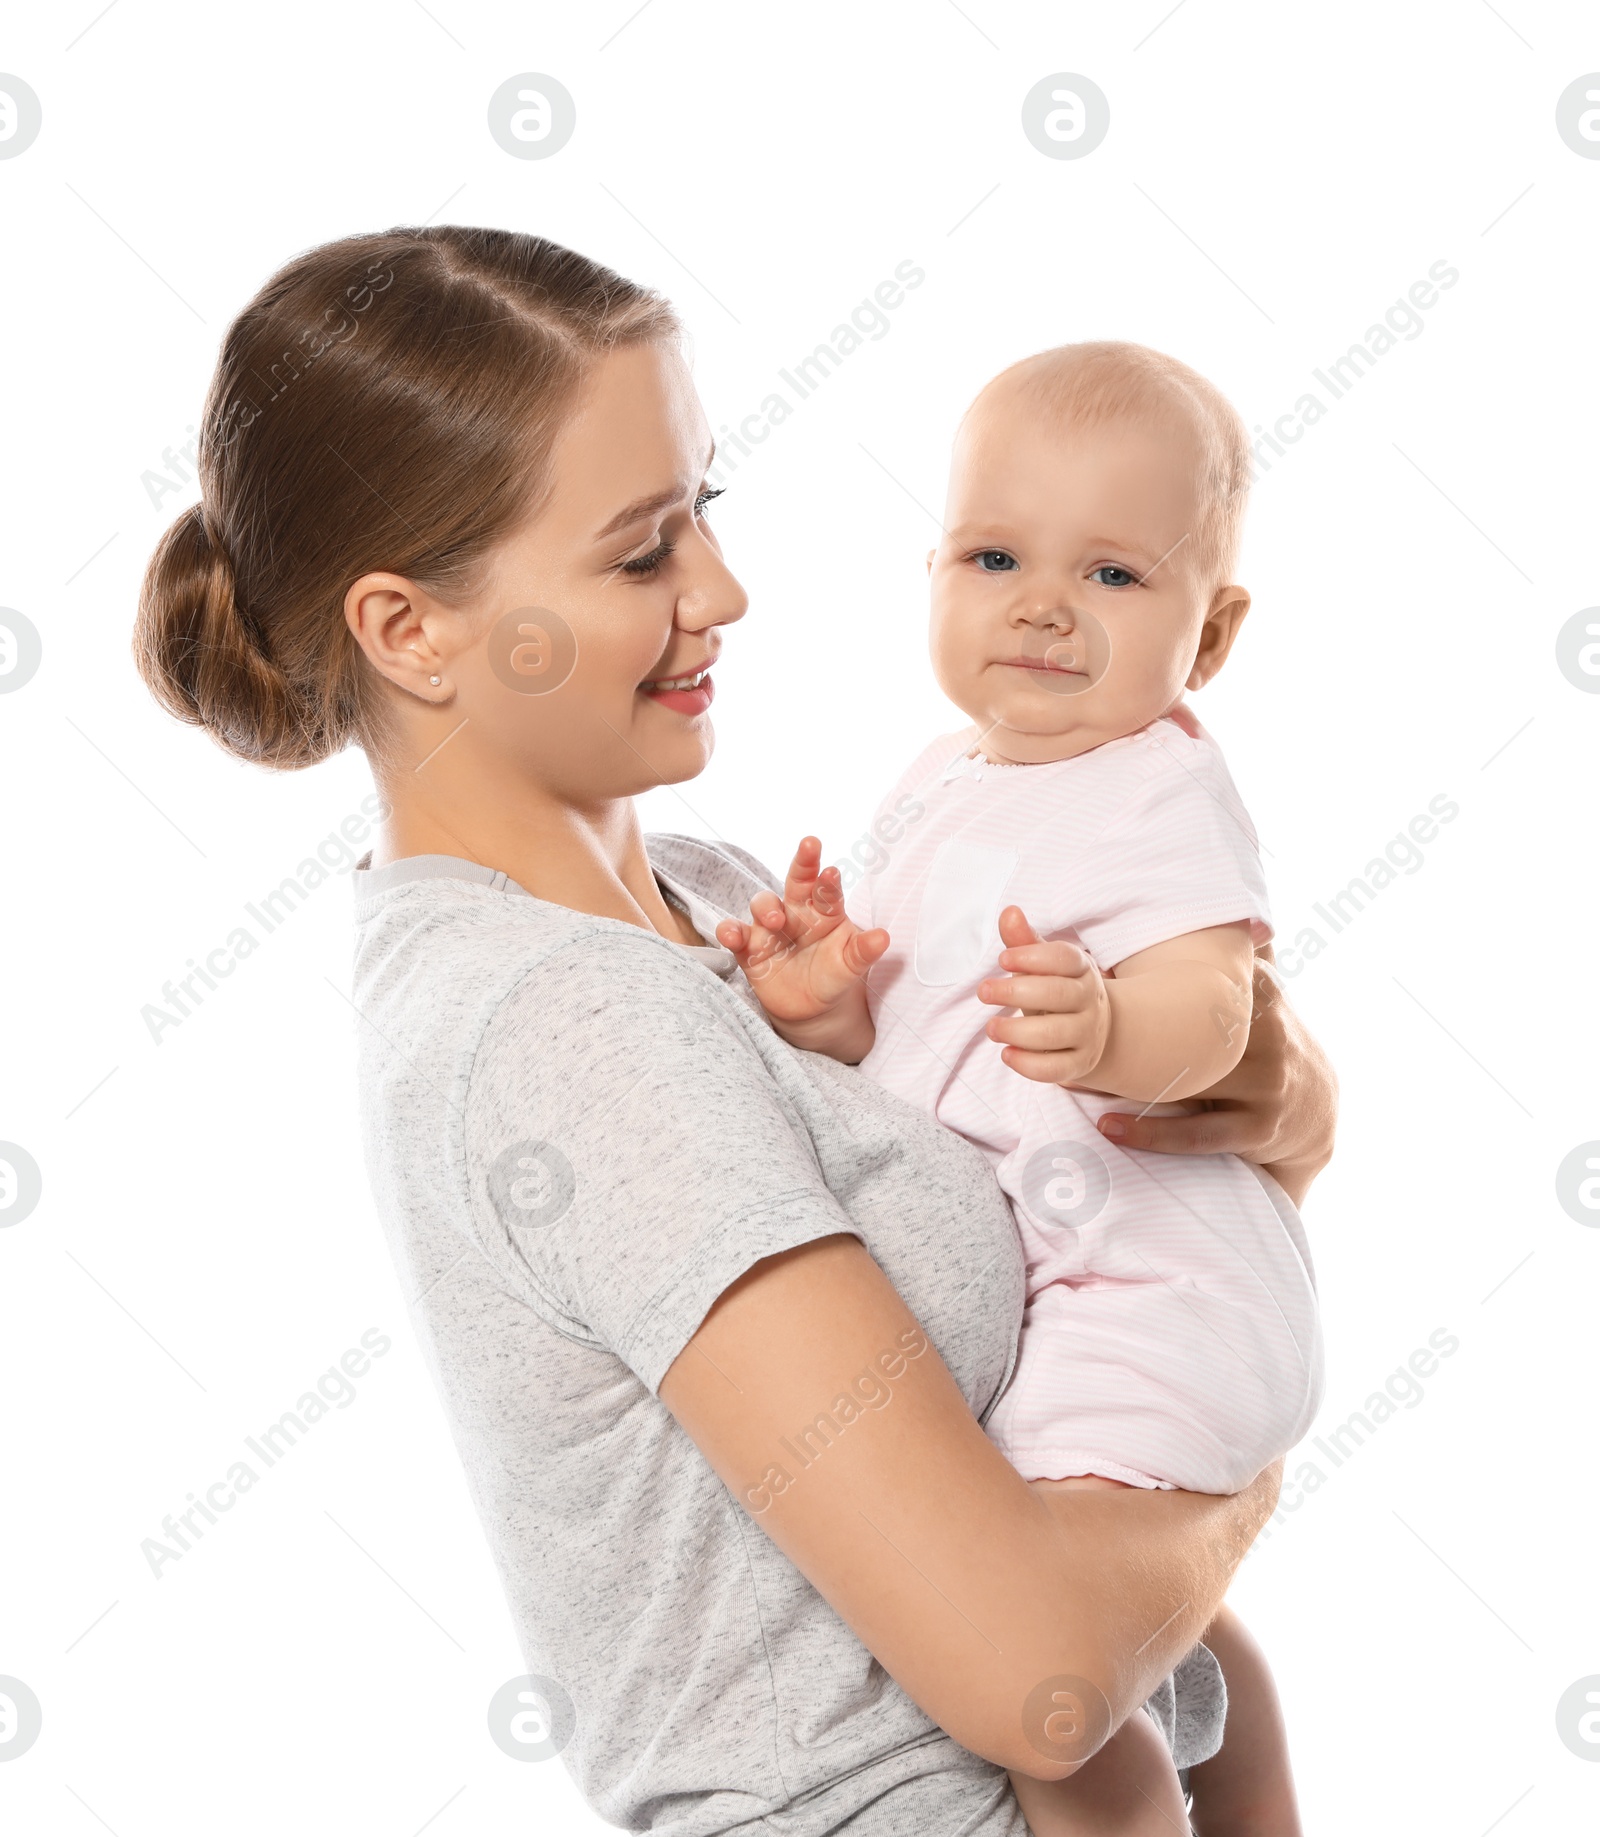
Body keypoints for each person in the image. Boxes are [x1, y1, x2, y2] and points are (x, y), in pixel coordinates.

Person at [133, 226, 1337, 1834]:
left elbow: (1195, 1132)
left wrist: (1262, 1079)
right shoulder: (563, 1025)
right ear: (410, 631)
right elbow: (1034, 1667)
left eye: (706, 509)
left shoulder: (708, 899)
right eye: (642, 554)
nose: (723, 588)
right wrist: (1247, 1463)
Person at [714, 342, 1322, 1832]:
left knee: (1044, 1683)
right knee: (1170, 1627)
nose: (1044, 604)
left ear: (1214, 632)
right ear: (933, 569)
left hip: (1150, 1281)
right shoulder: (940, 774)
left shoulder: (1158, 786)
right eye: (996, 554)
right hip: (1057, 1275)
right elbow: (915, 1047)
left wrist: (1117, 1025)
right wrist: (825, 1001)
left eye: (1115, 575)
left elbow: (1217, 1001)